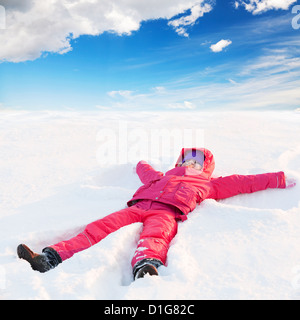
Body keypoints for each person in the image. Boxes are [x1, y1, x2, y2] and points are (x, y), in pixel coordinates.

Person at [17, 148, 296, 279]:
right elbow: (145, 171)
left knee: (156, 238)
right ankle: (49, 258)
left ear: (206, 167)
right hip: (138, 207)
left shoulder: (210, 185)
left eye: (197, 163)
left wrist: (283, 177)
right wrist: (138, 162)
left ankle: (146, 268)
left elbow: (247, 182)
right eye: (187, 160)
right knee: (97, 227)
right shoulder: (160, 178)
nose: (191, 165)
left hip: (166, 214)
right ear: (179, 162)